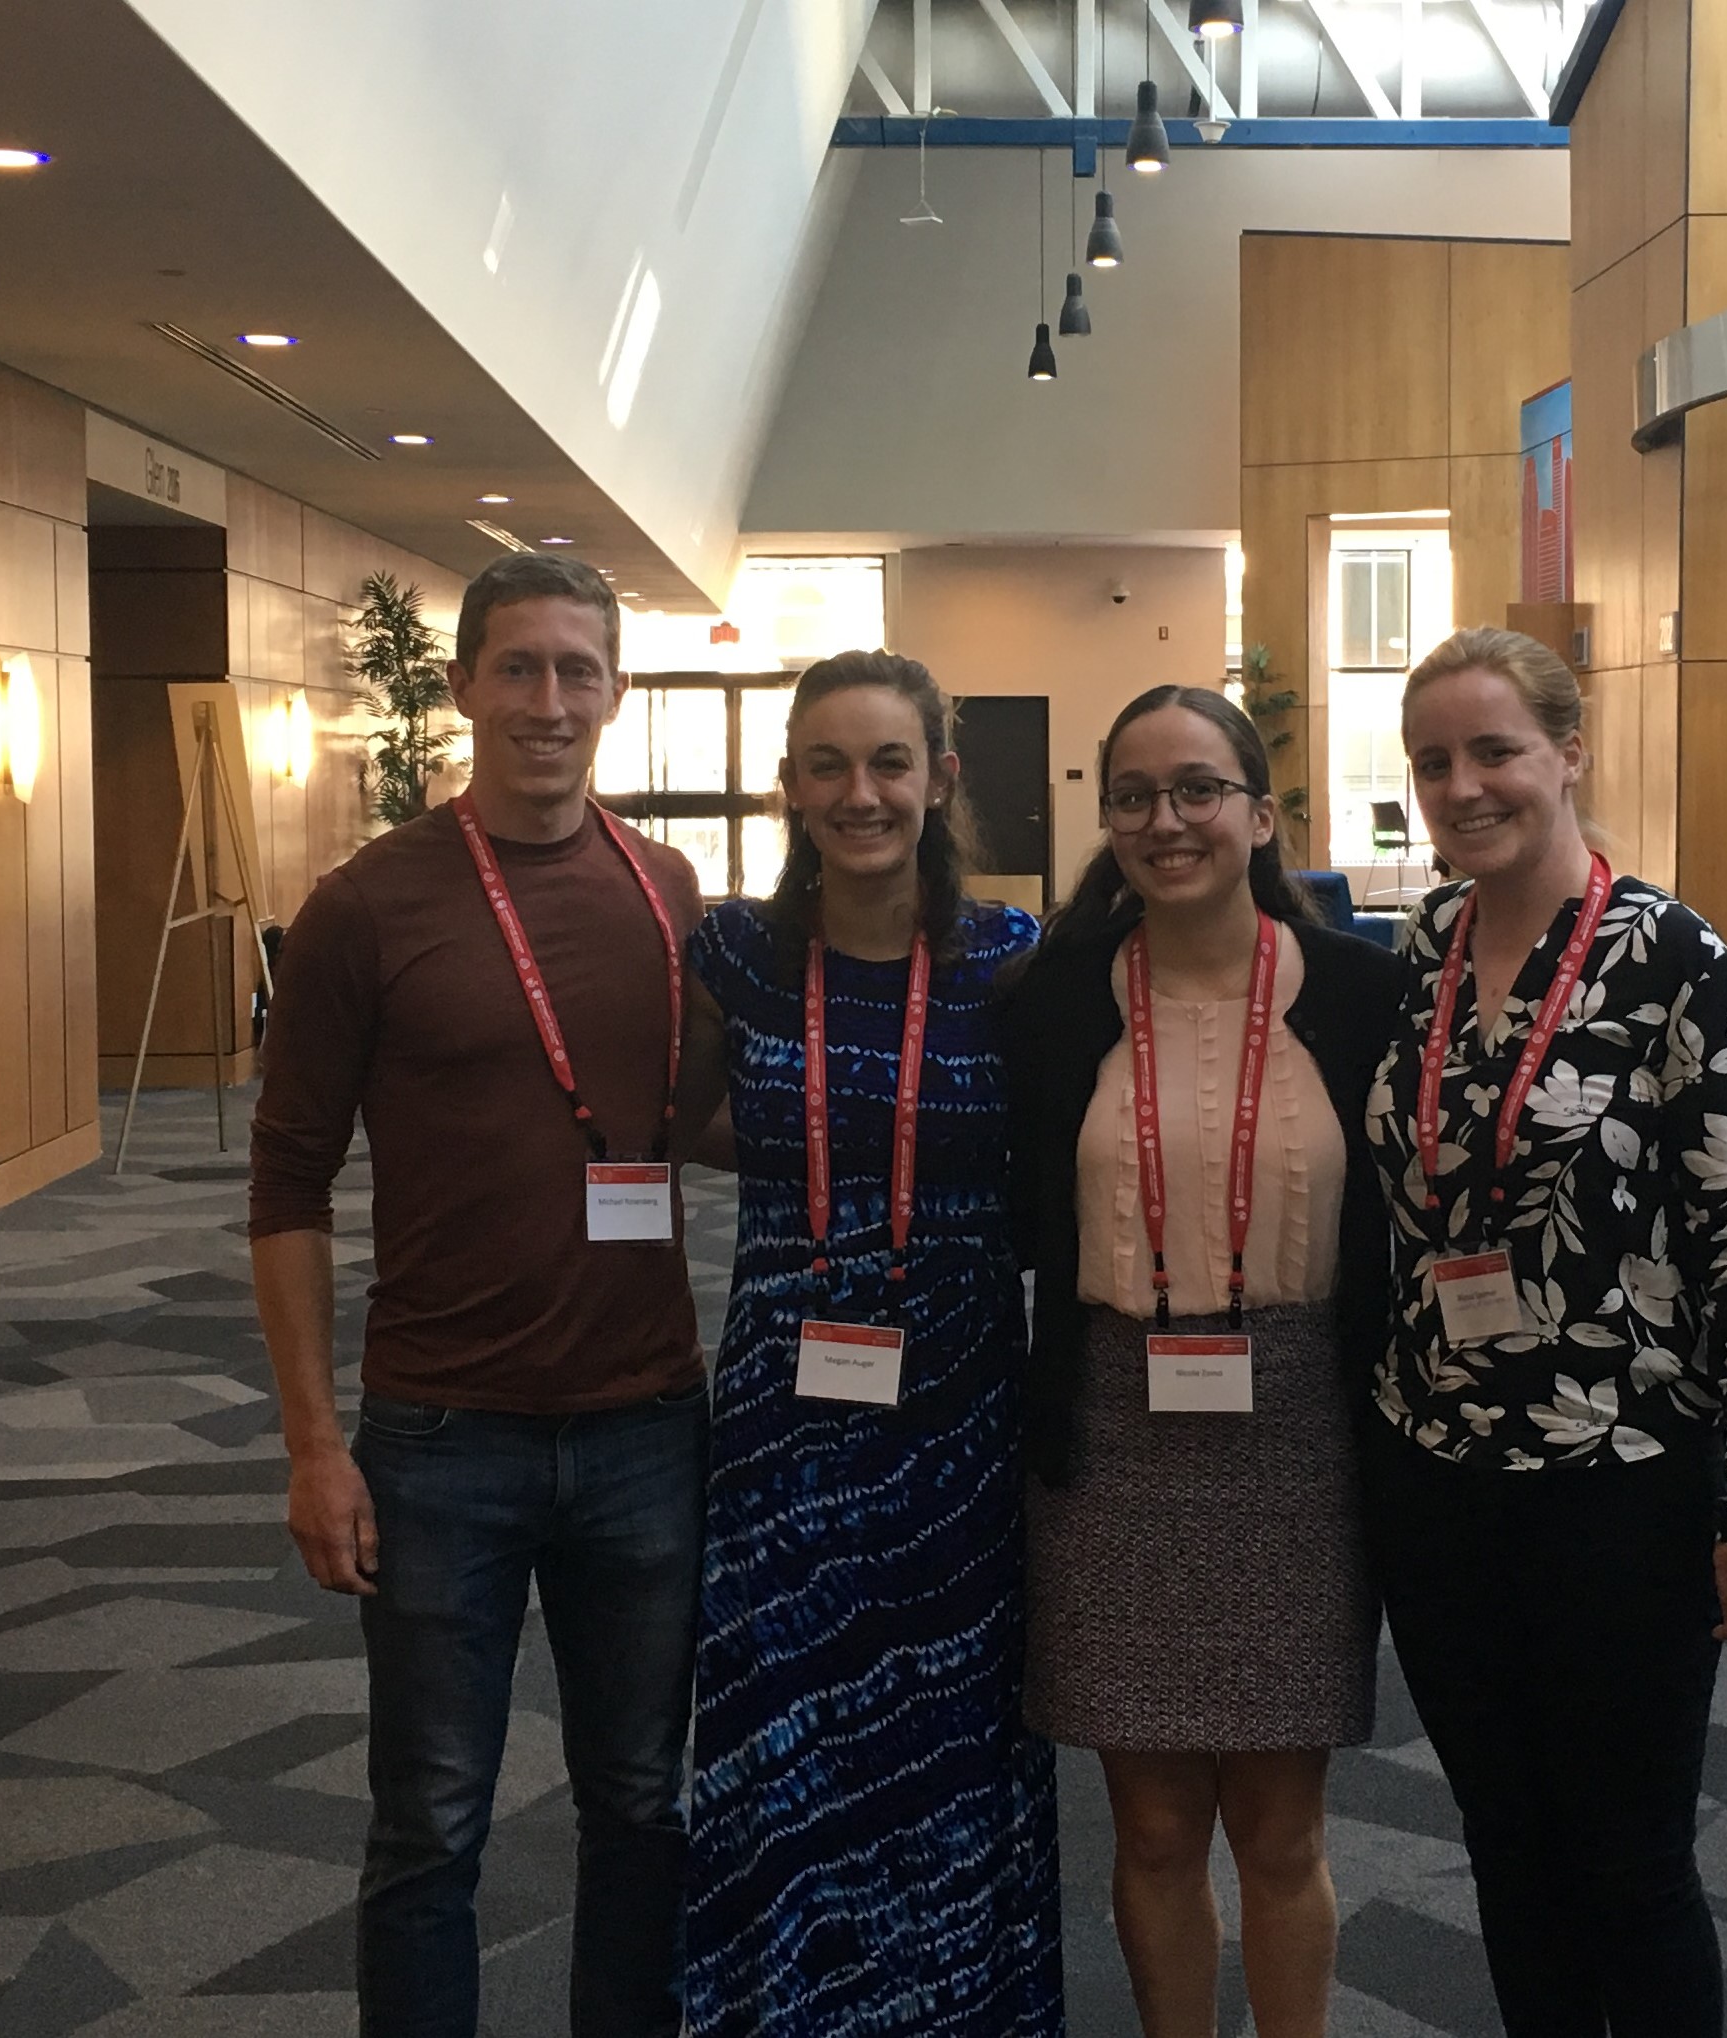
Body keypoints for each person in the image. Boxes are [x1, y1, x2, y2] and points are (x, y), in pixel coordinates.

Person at [250, 553, 719, 2038]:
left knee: (643, 1803)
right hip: (442, 1437)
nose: (549, 701)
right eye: (517, 667)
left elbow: (701, 1116)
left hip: (649, 1425)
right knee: (431, 1825)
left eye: (578, 670)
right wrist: (314, 1442)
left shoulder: (669, 891)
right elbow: (286, 1189)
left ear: (616, 694)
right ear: (461, 687)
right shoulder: (365, 905)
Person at [1362, 626, 1727, 2038]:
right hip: (1437, 1469)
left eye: (1495, 750)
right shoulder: (1427, 942)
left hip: (1618, 1474)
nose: (1463, 784)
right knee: (1506, 1841)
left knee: (1625, 1859)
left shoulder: (1680, 964)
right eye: (1434, 760)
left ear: (1571, 750)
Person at [1004, 685, 1402, 2038]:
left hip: (1300, 1428)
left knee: (1281, 1827)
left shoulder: (1361, 995)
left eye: (1197, 789)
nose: (1165, 820)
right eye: (1134, 795)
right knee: (1159, 1823)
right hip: (1115, 1429)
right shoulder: (1049, 999)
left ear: (1259, 811)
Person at [680, 651, 1063, 2034]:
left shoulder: (1013, 963)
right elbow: (680, 1119)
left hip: (959, 1405)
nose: (861, 793)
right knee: (782, 1724)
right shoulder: (729, 955)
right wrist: (815, 1186)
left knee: (947, 1729)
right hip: (785, 1399)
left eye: (890, 763)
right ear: (789, 786)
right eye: (828, 766)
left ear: (941, 780)